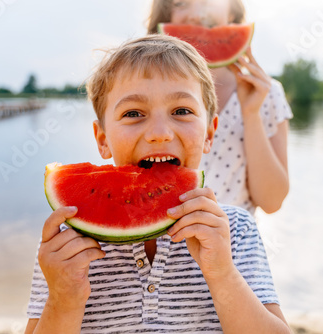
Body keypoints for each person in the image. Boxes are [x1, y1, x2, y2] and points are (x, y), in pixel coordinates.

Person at [24, 35, 291, 333]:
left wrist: (223, 274)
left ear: (209, 134)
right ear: (102, 139)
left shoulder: (236, 230)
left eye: (181, 111)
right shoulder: (68, 243)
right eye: (133, 114)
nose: (159, 133)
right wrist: (63, 299)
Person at [148, 0, 293, 215]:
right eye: (181, 3)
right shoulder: (144, 91)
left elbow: (271, 202)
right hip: (163, 244)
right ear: (164, 17)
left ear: (232, 13)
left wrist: (251, 113)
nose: (196, 15)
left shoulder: (267, 93)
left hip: (237, 243)